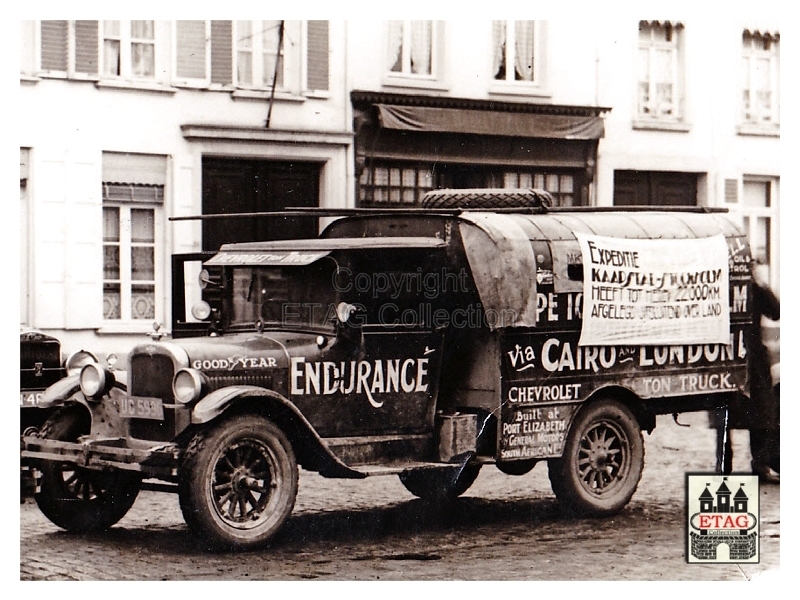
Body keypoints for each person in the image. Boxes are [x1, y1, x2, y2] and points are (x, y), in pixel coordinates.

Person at [711, 271, 779, 483]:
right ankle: (729, 466)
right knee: (729, 412)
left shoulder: (750, 287)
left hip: (747, 358)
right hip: (729, 356)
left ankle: (756, 465)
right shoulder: (719, 285)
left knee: (758, 412)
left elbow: (776, 312)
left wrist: (760, 283)